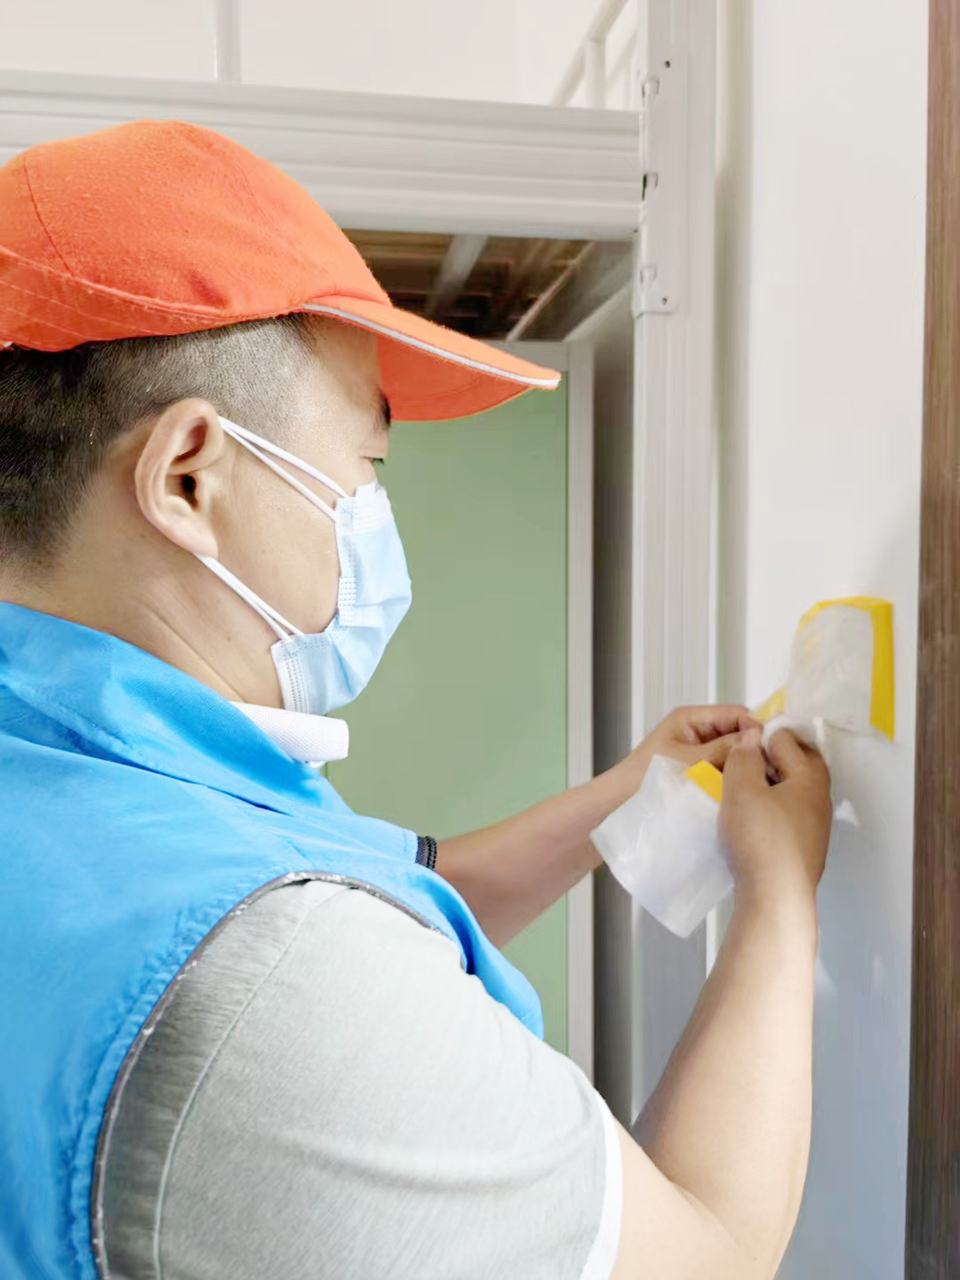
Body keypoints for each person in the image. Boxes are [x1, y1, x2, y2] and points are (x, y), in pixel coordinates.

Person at [0, 121, 832, 1280]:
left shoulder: (82, 775)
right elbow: (710, 1256)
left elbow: (389, 889)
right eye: (368, 468)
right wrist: (780, 899)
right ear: (189, 475)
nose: (374, 518)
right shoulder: (273, 982)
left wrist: (623, 795)